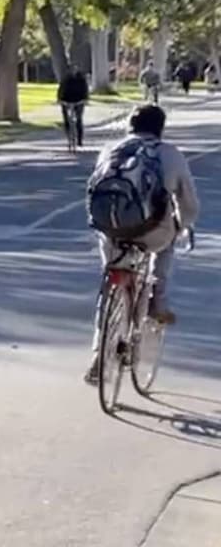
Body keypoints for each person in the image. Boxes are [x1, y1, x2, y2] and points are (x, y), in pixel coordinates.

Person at [85, 105, 200, 384]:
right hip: (151, 233)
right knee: (168, 240)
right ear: (160, 128)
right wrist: (184, 225)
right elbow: (188, 204)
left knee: (111, 277)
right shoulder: (169, 154)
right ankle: (157, 301)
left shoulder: (111, 149)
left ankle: (100, 352)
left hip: (110, 230)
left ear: (130, 127)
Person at [56, 70, 90, 147]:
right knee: (66, 118)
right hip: (66, 100)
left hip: (79, 100)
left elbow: (85, 90)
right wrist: (59, 99)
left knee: (79, 119)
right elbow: (60, 90)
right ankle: (69, 136)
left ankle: (79, 139)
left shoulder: (81, 79)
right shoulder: (65, 79)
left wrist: (85, 99)